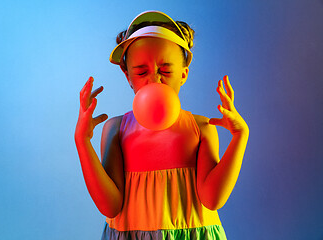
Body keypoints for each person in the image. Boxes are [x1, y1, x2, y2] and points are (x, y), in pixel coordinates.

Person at [74, 10, 249, 240]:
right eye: (142, 72)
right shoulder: (116, 129)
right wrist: (82, 141)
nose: (154, 79)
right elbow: (110, 206)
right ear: (127, 75)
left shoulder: (201, 128)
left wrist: (240, 136)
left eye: (165, 70)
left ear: (183, 74)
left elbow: (212, 199)